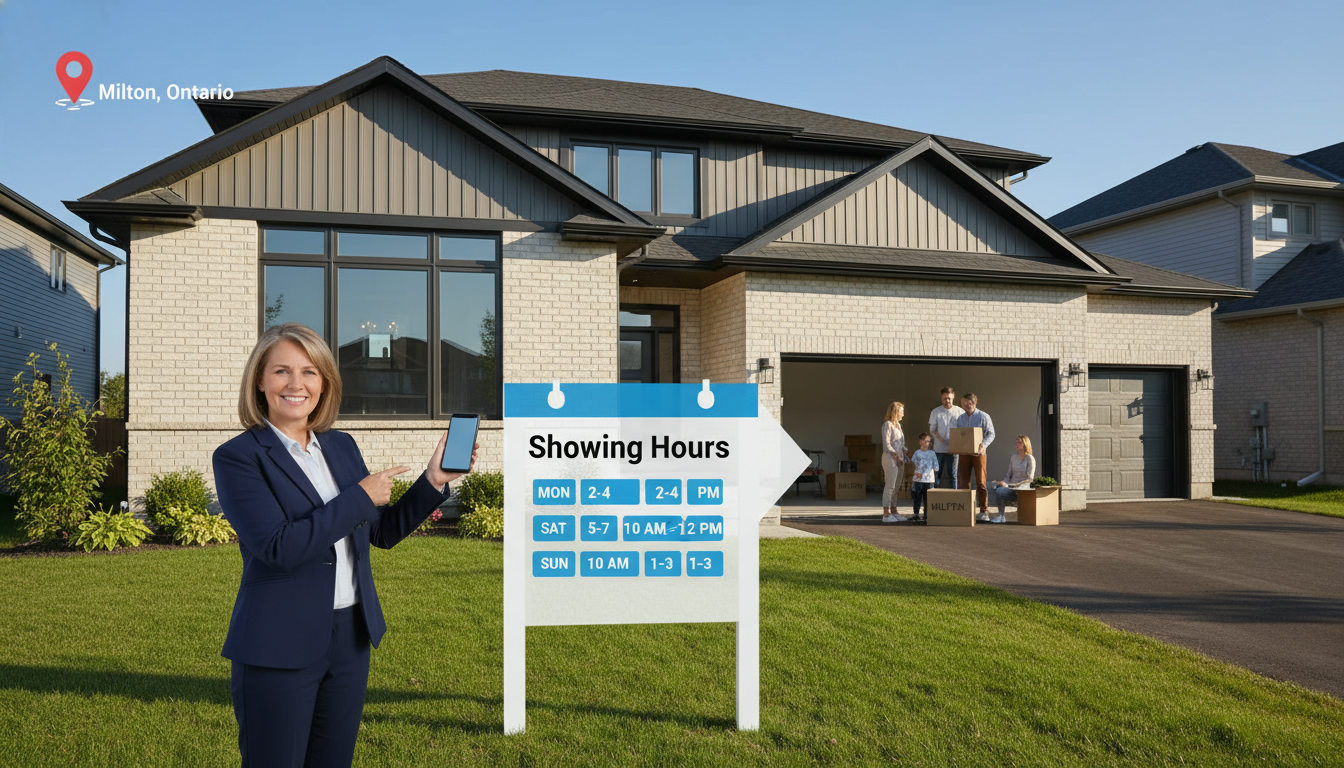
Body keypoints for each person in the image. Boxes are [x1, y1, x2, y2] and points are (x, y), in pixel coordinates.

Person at [212, 323, 478, 767]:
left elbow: (380, 531)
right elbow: (278, 547)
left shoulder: (341, 446)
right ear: (260, 380)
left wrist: (434, 481)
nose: (296, 384)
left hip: (349, 638)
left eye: (310, 372)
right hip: (279, 641)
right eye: (282, 371)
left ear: (325, 383)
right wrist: (358, 497)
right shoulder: (239, 457)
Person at [954, 392, 996, 521]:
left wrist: (983, 445)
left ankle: (983, 510)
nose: (962, 405)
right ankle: (965, 509)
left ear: (971, 403)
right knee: (963, 482)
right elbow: (958, 435)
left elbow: (991, 433)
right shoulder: (960, 418)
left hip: (979, 454)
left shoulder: (983, 416)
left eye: (963, 403)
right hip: (964, 454)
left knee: (981, 483)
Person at [991, 435, 1037, 524]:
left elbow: (1030, 479)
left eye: (1019, 442)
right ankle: (1000, 516)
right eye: (1016, 442)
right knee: (994, 487)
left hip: (1022, 488)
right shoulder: (1013, 457)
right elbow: (1009, 475)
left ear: (1025, 444)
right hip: (1011, 486)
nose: (1017, 444)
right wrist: (1003, 482)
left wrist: (1015, 485)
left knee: (1000, 491)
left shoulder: (1030, 458)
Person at [928, 386, 965, 489]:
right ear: (941, 398)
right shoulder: (936, 412)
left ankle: (955, 497)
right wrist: (939, 437)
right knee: (937, 474)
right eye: (944, 398)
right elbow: (932, 429)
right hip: (939, 448)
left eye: (949, 398)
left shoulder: (960, 412)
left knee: (953, 475)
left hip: (954, 449)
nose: (947, 400)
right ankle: (935, 497)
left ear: (953, 397)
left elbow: (963, 430)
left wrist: (958, 441)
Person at [880, 401, 911, 523]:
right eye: (901, 411)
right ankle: (886, 514)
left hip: (899, 458)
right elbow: (886, 444)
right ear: (895, 411)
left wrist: (906, 450)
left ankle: (894, 510)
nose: (903, 414)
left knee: (897, 486)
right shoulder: (887, 425)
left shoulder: (898, 425)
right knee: (890, 486)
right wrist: (896, 454)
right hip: (890, 458)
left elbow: (900, 444)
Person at [909, 432, 938, 524]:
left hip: (929, 479)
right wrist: (915, 472)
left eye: (929, 441)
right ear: (920, 442)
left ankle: (927, 514)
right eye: (925, 441)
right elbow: (912, 464)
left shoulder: (932, 453)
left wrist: (931, 469)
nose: (927, 443)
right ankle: (916, 513)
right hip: (918, 480)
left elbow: (936, 467)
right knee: (917, 497)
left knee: (928, 498)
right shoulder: (917, 453)